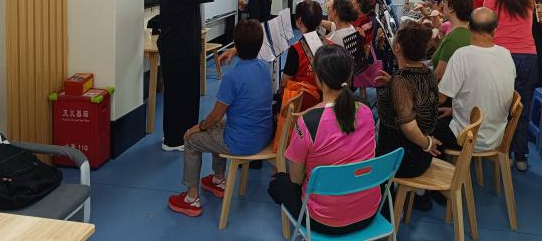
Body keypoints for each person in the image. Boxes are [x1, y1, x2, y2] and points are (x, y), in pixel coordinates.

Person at [268, 45, 379, 235]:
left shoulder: (307, 123)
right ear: (349, 76)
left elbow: (296, 178)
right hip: (368, 212)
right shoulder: (366, 112)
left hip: (323, 220)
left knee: (278, 182)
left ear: (318, 79)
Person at [168, 19, 273, 217]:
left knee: (191, 139)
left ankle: (191, 198)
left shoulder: (232, 78)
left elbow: (215, 117)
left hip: (241, 143)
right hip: (263, 136)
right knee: (221, 127)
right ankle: (218, 179)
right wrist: (237, 50)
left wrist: (199, 126)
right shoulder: (264, 67)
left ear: (236, 42)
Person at [157, 0, 219, 151]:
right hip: (182, 49)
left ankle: (172, 136)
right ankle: (179, 139)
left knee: (174, 95)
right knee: (185, 96)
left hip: (172, 48)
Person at [435, 8, 516, 152]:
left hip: (467, 137)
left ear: (469, 28)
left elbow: (440, 98)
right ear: (495, 30)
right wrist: (455, 111)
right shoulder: (506, 54)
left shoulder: (462, 55)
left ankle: (447, 167)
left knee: (428, 126)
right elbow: (488, 92)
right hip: (496, 137)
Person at [483, 0, 537, 172]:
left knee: (498, 106)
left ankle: (500, 151)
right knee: (521, 107)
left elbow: (485, 26)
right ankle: (521, 156)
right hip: (528, 56)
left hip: (500, 55)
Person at [375, 23, 442, 178]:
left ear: (397, 47)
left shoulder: (401, 80)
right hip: (418, 153)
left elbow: (409, 127)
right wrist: (393, 84)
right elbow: (416, 94)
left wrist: (427, 143)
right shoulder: (426, 71)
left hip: (402, 159)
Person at [431, 0, 473, 82]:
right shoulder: (466, 29)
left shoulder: (454, 37)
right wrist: (436, 39)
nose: (442, 5)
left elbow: (439, 75)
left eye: (444, 3)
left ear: (451, 8)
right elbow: (444, 53)